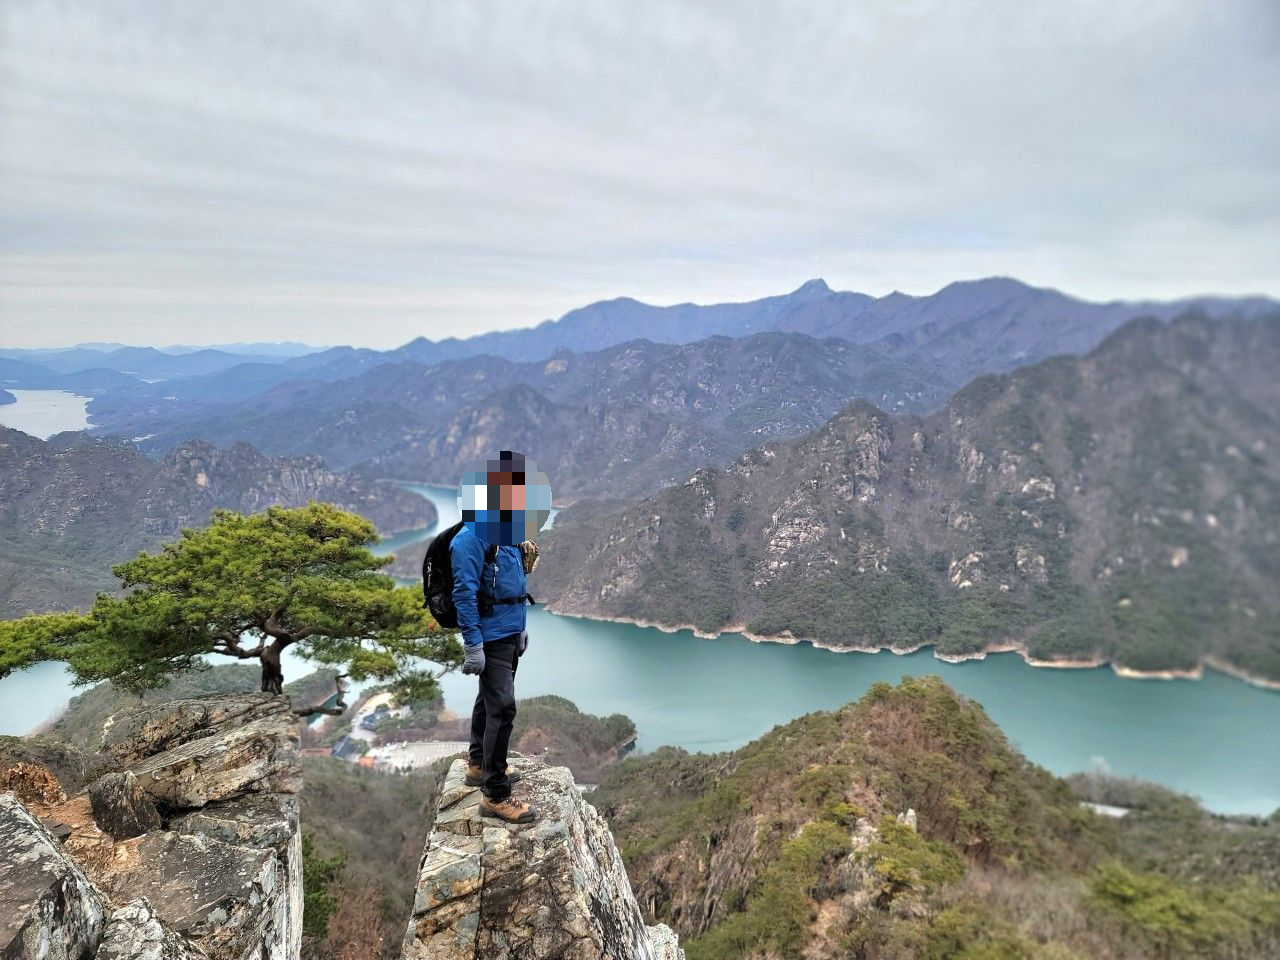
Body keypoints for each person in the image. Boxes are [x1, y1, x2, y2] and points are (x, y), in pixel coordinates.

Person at [452, 477, 538, 824]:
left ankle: (478, 764)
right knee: (503, 708)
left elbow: (514, 585)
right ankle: (495, 795)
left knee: (488, 700)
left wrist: (521, 626)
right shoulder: (470, 538)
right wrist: (473, 643)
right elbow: (464, 593)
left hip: (508, 632)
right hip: (489, 637)